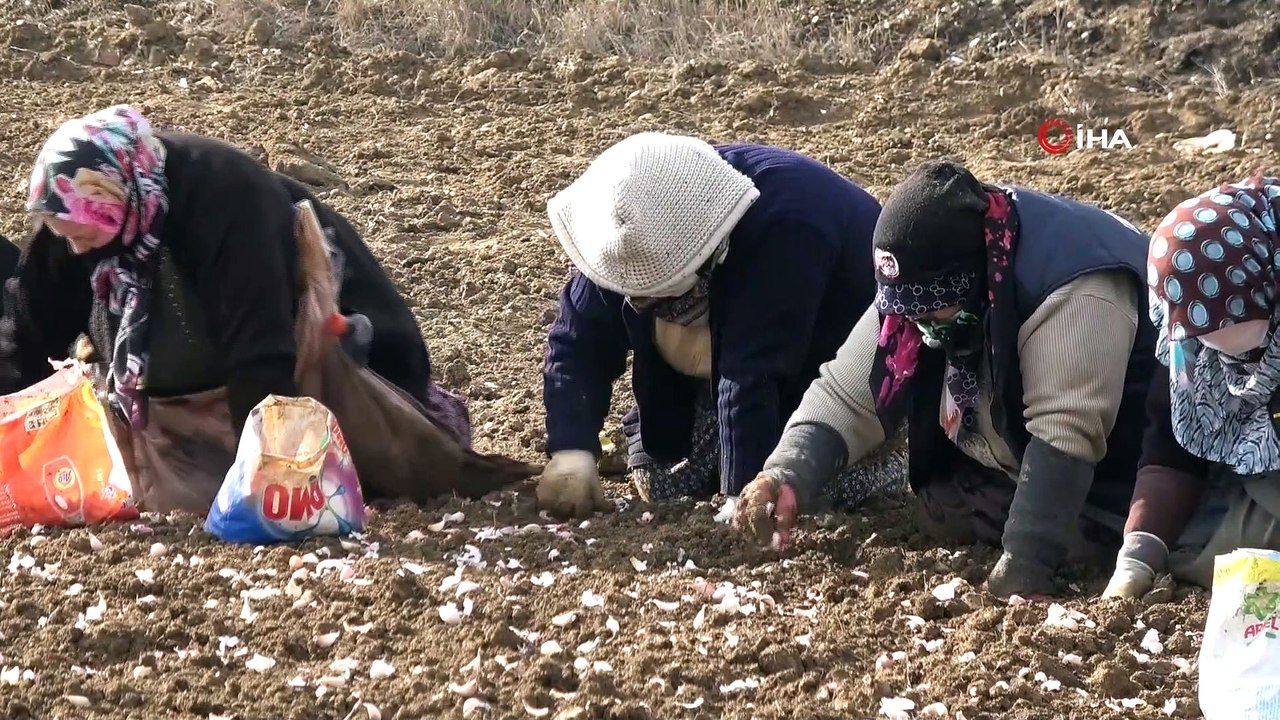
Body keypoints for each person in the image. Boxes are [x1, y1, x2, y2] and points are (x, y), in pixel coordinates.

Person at [0, 104, 474, 512]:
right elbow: (28, 328)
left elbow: (260, 350)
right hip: (183, 400)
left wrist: (270, 477)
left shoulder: (227, 201)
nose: (77, 251)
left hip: (299, 363)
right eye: (69, 238)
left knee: (366, 473)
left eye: (84, 237)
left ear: (120, 202)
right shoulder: (77, 209)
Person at [733, 159, 1157, 598]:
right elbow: (848, 393)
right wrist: (786, 475)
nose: (918, 326)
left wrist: (1024, 565)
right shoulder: (924, 282)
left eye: (933, 311)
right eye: (906, 312)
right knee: (942, 503)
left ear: (974, 280)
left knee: (1135, 539)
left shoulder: (1073, 286)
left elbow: (1066, 433)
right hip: (1021, 443)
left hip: (1133, 458)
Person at [535, 132, 897, 519]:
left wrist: (740, 498)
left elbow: (751, 374)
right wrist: (572, 451)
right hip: (717, 371)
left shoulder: (787, 230)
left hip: (834, 365)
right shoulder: (626, 228)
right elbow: (578, 340)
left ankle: (894, 452)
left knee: (807, 490)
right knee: (664, 482)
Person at [1103, 175, 1280, 599]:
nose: (1232, 357)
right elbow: (1170, 446)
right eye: (1208, 336)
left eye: (1241, 325)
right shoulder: (1187, 341)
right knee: (1197, 549)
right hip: (1249, 467)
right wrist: (1140, 549)